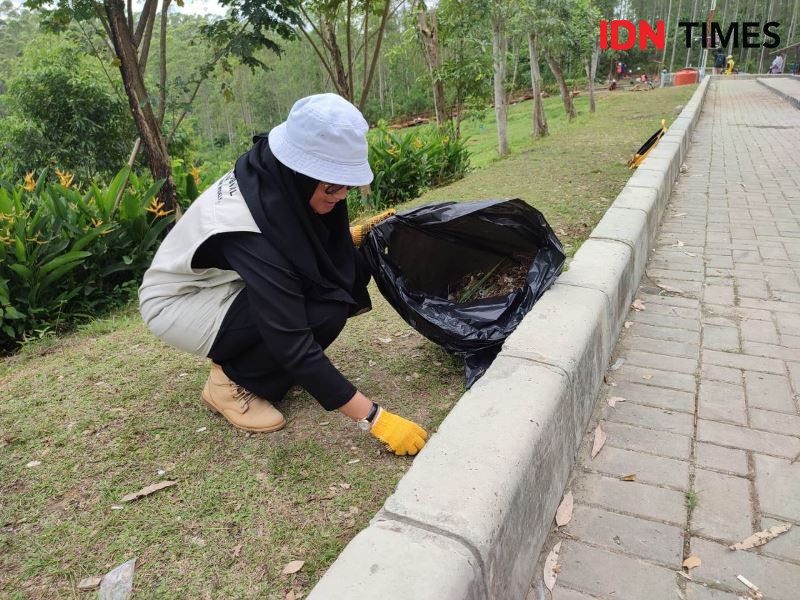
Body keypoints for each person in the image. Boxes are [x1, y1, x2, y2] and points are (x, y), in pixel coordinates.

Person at [139, 93, 428, 456]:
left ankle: (254, 368)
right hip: (181, 301)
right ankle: (230, 383)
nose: (341, 195)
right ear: (301, 172)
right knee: (320, 313)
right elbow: (291, 338)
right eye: (332, 187)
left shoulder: (282, 176)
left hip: (225, 278)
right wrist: (375, 418)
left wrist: (347, 239)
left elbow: (306, 233)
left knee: (348, 276)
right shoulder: (248, 227)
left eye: (347, 185)